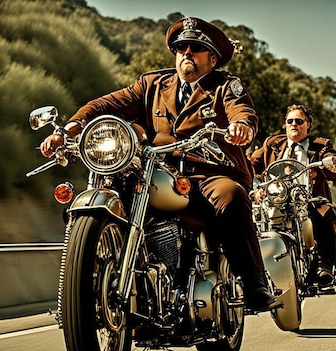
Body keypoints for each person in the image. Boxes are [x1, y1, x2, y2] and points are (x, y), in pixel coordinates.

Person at [39, 17, 280, 311]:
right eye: (181, 48)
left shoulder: (226, 86)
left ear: (212, 58)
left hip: (209, 172)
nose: (186, 53)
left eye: (195, 48)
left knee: (230, 197)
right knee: (119, 185)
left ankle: (254, 281)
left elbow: (241, 111)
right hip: (158, 169)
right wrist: (71, 127)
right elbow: (107, 105)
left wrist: (242, 126)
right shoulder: (152, 84)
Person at [249, 104, 336, 288]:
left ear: (308, 125)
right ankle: (253, 271)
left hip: (307, 199)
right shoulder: (272, 144)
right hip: (275, 198)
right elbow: (250, 164)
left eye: (299, 121)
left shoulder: (320, 146)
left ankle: (324, 265)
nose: (294, 124)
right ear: (284, 124)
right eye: (290, 121)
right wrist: (255, 186)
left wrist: (334, 164)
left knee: (323, 212)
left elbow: (335, 162)